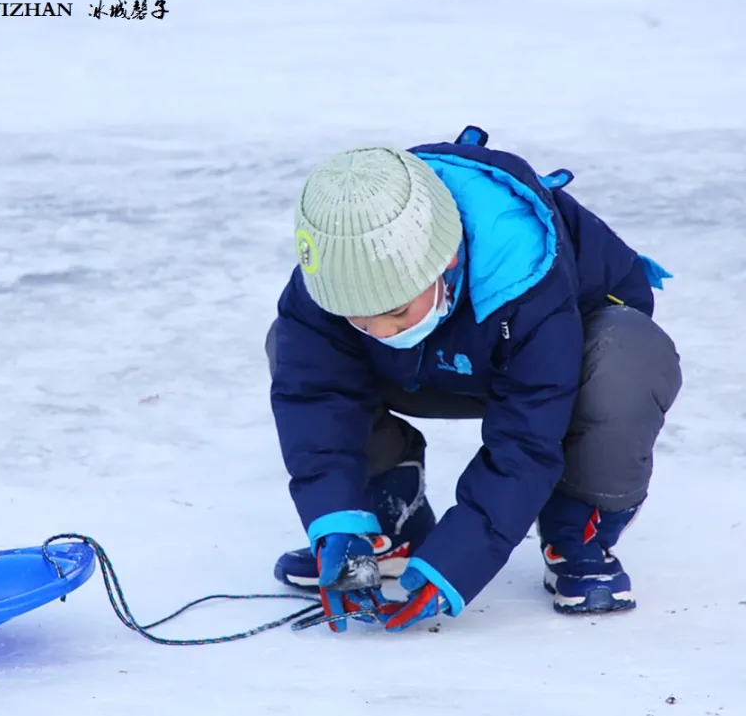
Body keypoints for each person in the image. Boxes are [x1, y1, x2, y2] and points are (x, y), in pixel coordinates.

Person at [263, 126, 683, 633]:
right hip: (431, 361)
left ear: (448, 261)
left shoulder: (524, 271)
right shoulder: (338, 265)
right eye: (357, 316)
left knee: (626, 358)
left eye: (393, 310)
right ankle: (385, 521)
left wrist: (456, 563)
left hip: (556, 363)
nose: (377, 330)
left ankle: (576, 529)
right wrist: (336, 521)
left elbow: (526, 439)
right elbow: (315, 396)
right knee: (294, 348)